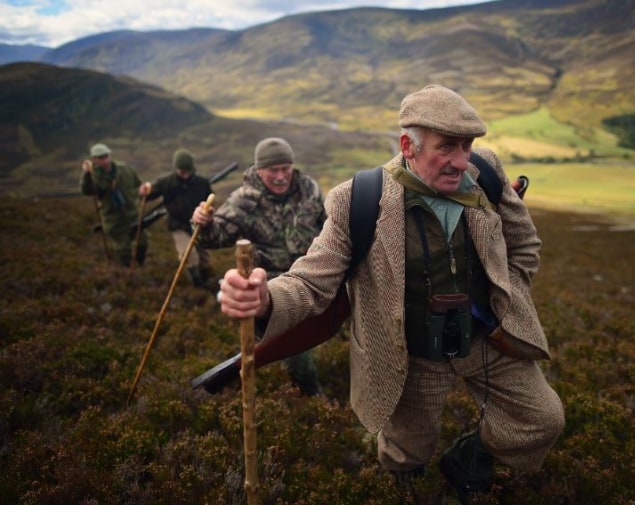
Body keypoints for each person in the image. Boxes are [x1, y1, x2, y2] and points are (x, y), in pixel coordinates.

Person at [218, 85, 565, 501]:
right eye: (447, 147)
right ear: (408, 146)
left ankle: (469, 459)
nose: (461, 160)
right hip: (410, 354)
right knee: (405, 454)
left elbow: (524, 245)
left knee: (541, 421)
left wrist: (507, 298)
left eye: (468, 145)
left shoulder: (485, 171)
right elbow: (311, 281)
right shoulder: (359, 199)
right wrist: (265, 300)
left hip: (486, 338)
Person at [192, 137, 325, 397]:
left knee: (294, 345)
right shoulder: (244, 200)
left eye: (285, 168)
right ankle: (311, 397)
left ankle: (291, 391)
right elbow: (213, 237)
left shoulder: (309, 188)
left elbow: (329, 226)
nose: (280, 176)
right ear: (259, 170)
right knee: (291, 352)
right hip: (268, 290)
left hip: (310, 282)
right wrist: (203, 223)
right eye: (273, 170)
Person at [139, 148, 213, 288]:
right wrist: (145, 192)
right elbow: (149, 194)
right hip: (178, 224)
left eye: (187, 171)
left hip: (198, 225)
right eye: (181, 171)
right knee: (188, 255)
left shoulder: (202, 183)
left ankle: (208, 281)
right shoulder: (166, 182)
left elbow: (209, 199)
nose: (185, 175)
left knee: (205, 258)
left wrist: (208, 214)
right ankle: (197, 284)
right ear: (176, 169)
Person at [80, 142, 148, 266]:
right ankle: (126, 273)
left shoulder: (125, 170)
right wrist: (86, 174)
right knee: (123, 250)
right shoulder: (93, 176)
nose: (105, 161)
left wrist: (142, 190)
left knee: (142, 242)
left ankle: (140, 265)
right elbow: (87, 190)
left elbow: (138, 185)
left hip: (132, 215)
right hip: (113, 219)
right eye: (101, 158)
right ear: (94, 160)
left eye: (107, 156)